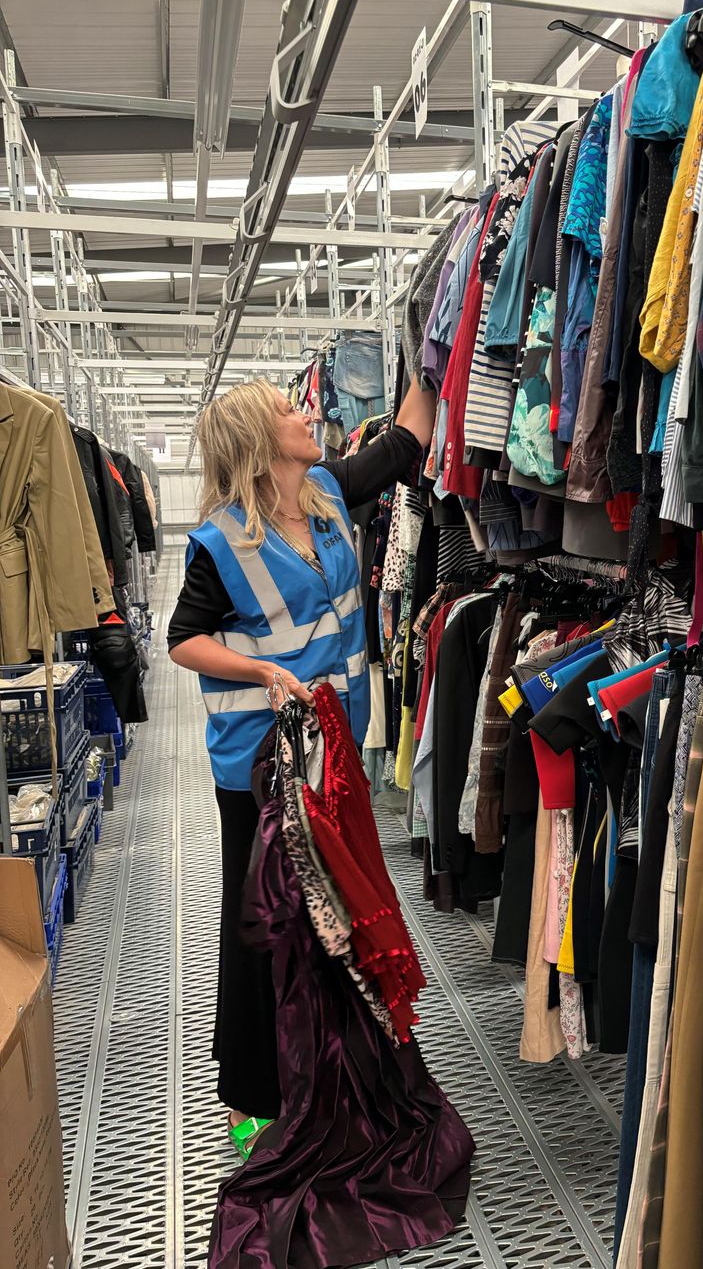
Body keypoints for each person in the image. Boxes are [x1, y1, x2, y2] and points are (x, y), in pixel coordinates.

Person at [167, 375, 437, 1157]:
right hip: (256, 764)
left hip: (331, 751)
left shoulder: (324, 490)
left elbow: (407, 440)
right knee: (259, 921)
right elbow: (184, 639)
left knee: (333, 911)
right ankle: (248, 1089)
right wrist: (261, 673)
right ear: (258, 442)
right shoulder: (221, 541)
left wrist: (434, 339)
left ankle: (331, 1068)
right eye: (291, 412)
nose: (309, 412)